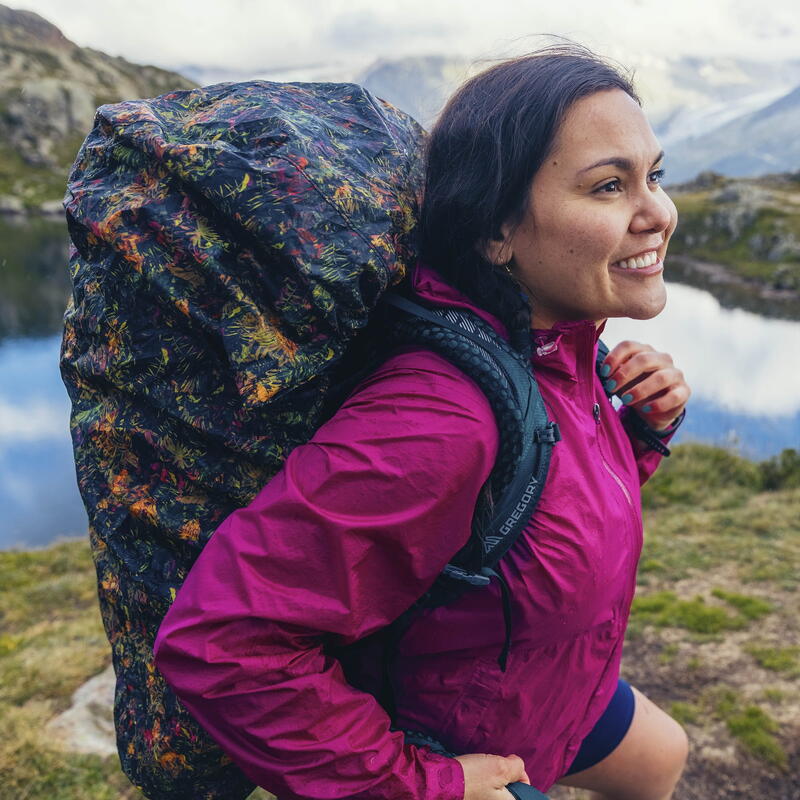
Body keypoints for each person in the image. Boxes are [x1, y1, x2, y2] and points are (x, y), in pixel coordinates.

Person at [154, 44, 691, 800]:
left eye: (654, 176)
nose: (658, 213)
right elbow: (223, 643)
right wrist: (420, 785)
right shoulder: (435, 420)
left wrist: (640, 435)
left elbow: (532, 519)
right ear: (497, 231)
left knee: (663, 757)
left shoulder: (557, 349)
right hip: (461, 743)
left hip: (547, 690)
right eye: (610, 186)